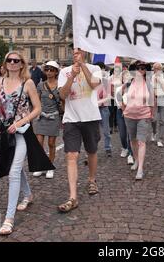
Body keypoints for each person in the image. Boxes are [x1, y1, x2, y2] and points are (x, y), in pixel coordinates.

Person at [0, 51, 54, 235]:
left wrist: (20, 122)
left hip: (22, 132)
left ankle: (8, 218)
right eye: (9, 60)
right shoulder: (1, 82)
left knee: (13, 171)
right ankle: (28, 195)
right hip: (5, 132)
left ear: (22, 64)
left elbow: (37, 109)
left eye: (16, 60)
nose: (12, 63)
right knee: (17, 167)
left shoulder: (28, 83)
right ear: (5, 63)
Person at [57, 48, 102, 212]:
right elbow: (62, 95)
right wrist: (72, 77)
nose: (76, 54)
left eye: (79, 51)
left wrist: (82, 66)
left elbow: (94, 84)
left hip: (90, 117)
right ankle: (73, 196)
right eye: (74, 51)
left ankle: (91, 180)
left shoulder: (95, 69)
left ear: (85, 52)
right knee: (71, 155)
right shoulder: (64, 71)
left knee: (91, 151)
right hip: (71, 118)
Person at [122, 61, 154, 180]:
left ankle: (140, 168)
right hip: (129, 115)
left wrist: (152, 114)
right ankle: (136, 160)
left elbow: (152, 99)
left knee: (141, 141)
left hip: (144, 115)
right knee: (133, 140)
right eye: (138, 68)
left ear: (146, 70)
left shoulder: (148, 83)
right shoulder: (129, 82)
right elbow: (119, 94)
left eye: (143, 68)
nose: (140, 70)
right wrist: (123, 108)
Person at [32, 61, 62, 178]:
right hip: (42, 117)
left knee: (51, 143)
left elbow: (63, 100)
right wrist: (35, 114)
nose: (49, 72)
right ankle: (41, 165)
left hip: (54, 117)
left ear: (56, 72)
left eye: (51, 70)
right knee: (39, 143)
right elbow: (37, 101)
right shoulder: (40, 85)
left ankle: (50, 166)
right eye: (47, 69)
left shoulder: (60, 85)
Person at [95, 62, 113, 157]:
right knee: (94, 132)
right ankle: (93, 149)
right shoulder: (92, 80)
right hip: (94, 109)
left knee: (106, 130)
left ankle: (108, 148)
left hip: (104, 108)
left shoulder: (106, 81)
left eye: (100, 69)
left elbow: (109, 95)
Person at [151, 63, 164, 147]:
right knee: (153, 119)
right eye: (155, 68)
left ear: (161, 69)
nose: (156, 70)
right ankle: (154, 132)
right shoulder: (151, 77)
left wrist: (160, 82)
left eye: (158, 68)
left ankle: (160, 139)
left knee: (162, 120)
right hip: (154, 98)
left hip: (163, 98)